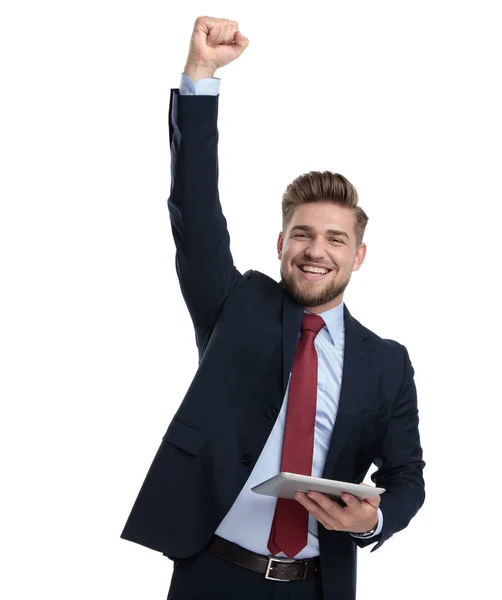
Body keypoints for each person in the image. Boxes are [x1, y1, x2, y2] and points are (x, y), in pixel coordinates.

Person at [121, 15, 425, 600]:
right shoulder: (235, 305)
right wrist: (201, 77)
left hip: (317, 586)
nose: (316, 250)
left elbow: (405, 476)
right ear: (280, 245)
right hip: (212, 575)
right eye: (302, 234)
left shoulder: (388, 363)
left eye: (336, 239)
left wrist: (375, 520)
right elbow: (194, 207)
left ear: (359, 256)